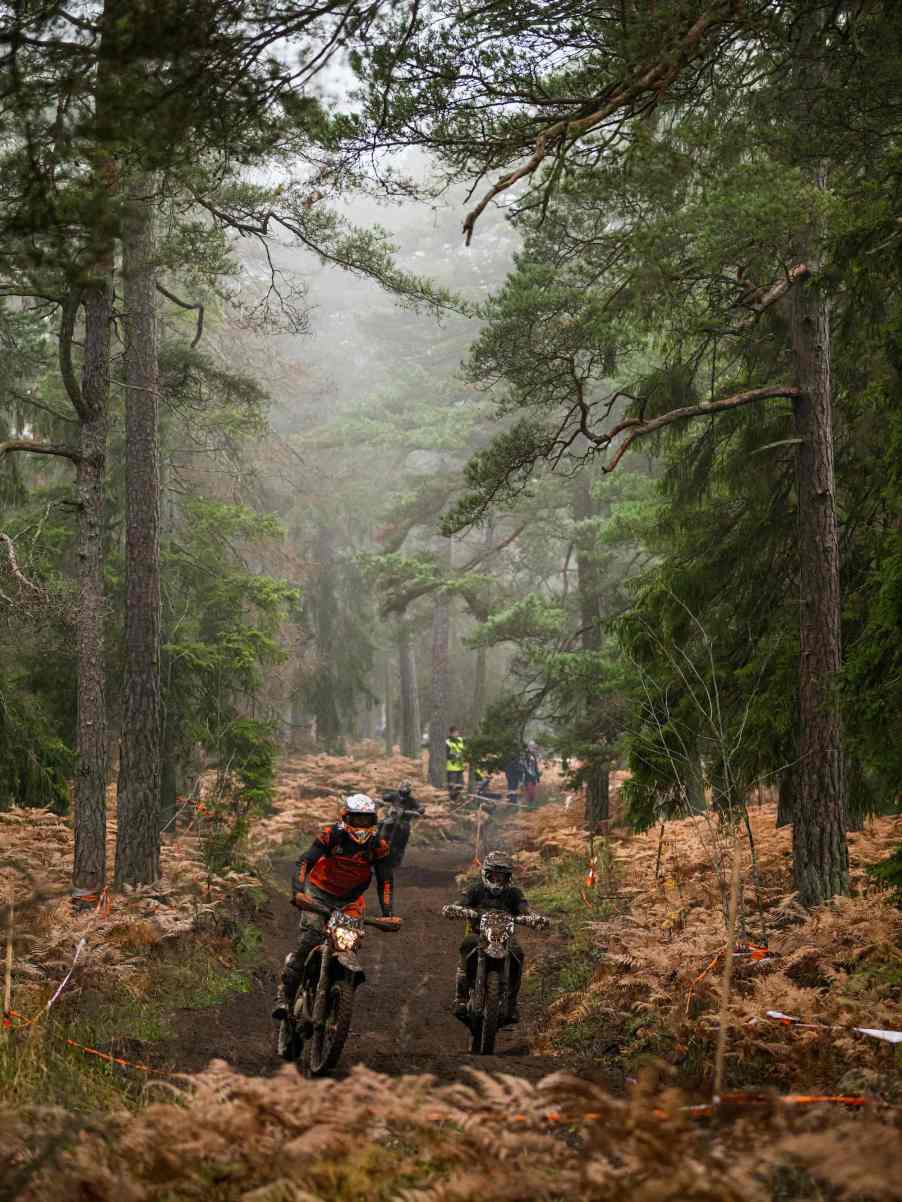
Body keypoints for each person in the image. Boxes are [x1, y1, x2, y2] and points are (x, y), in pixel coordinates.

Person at [272, 793, 393, 1021]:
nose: (361, 825)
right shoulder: (331, 836)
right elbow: (305, 861)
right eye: (356, 820)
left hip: (350, 901)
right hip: (318, 894)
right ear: (346, 818)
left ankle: (337, 986)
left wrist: (388, 915)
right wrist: (297, 892)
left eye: (366, 821)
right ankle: (285, 996)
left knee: (348, 944)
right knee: (312, 937)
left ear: (373, 822)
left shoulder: (378, 846)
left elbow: (385, 880)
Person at [450, 850, 547, 1022]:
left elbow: (525, 908)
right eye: (493, 876)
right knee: (467, 945)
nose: (497, 880)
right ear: (485, 874)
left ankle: (511, 1004)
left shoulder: (514, 893)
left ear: (508, 878)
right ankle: (460, 998)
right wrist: (456, 908)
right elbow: (462, 902)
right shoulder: (476, 888)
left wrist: (533, 918)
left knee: (518, 954)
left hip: (505, 938)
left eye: (501, 877)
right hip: (478, 934)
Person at [446, 726, 466, 801]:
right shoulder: (447, 742)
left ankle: (456, 799)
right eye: (455, 733)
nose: (456, 734)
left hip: (460, 767)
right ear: (450, 733)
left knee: (460, 785)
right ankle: (451, 799)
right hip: (452, 767)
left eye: (457, 732)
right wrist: (455, 756)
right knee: (452, 786)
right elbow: (447, 755)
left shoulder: (460, 740)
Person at [523, 741, 542, 807]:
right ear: (529, 747)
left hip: (533, 777)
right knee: (529, 792)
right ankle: (529, 806)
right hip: (528, 777)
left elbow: (535, 767)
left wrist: (537, 777)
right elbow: (526, 767)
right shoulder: (526, 755)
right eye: (532, 747)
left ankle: (532, 805)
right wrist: (532, 775)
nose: (534, 749)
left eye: (534, 748)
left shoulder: (533, 755)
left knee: (533, 792)